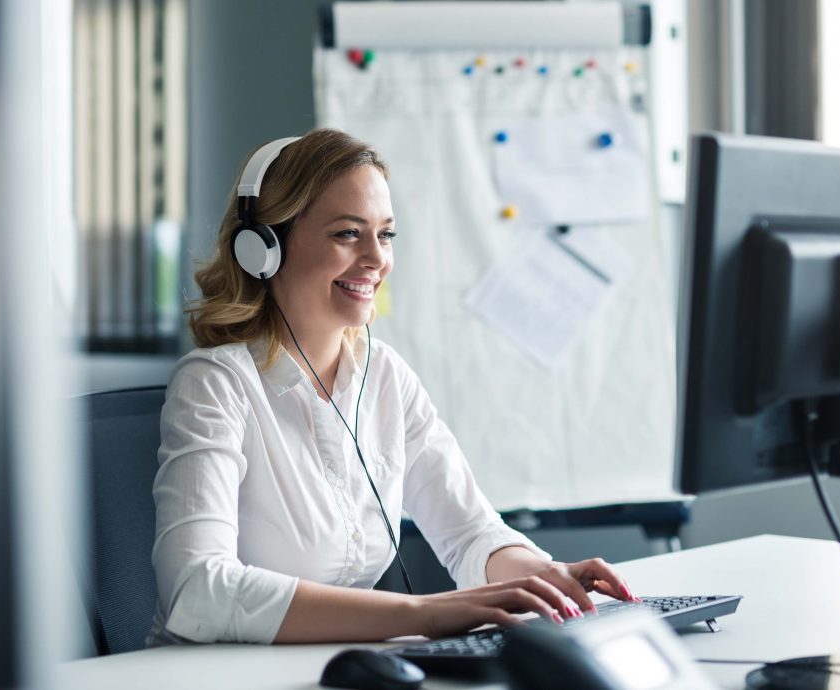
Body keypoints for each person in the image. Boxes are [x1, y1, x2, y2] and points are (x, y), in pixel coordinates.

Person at [147, 128, 637, 647]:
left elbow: (470, 532)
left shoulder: (384, 376)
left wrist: (542, 575)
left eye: (385, 234)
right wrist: (421, 613)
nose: (377, 259)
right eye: (347, 234)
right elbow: (196, 589)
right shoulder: (215, 386)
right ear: (263, 248)